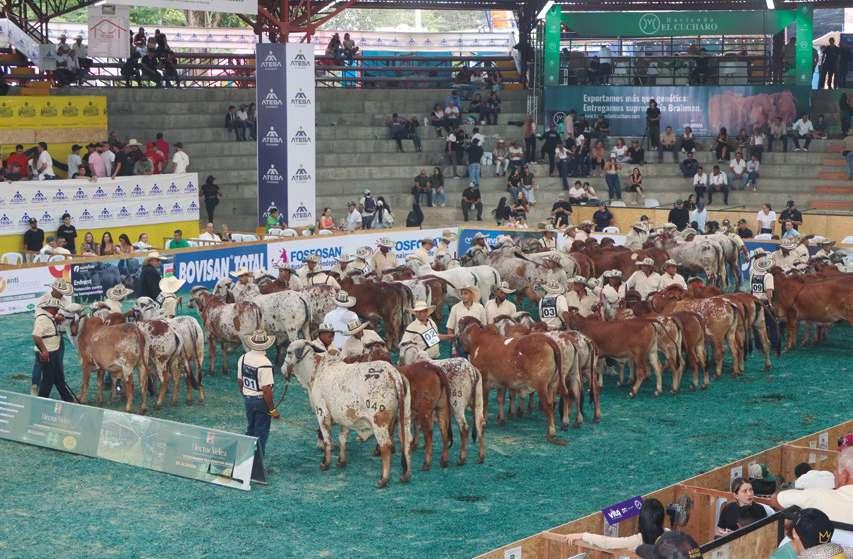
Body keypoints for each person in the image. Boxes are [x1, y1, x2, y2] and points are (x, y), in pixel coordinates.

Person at [544, 498, 666, 552]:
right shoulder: (669, 534)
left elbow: (607, 543)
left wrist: (582, 535)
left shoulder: (638, 540)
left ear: (642, 521)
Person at [774, 446, 853, 523]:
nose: (834, 473)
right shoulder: (825, 479)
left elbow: (777, 499)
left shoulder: (818, 496)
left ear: (844, 476)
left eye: (836, 469)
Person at [237, 329, 280, 468]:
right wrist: (272, 409)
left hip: (248, 399)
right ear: (266, 344)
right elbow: (266, 390)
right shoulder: (265, 363)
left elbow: (240, 381)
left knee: (250, 430)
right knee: (261, 433)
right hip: (261, 401)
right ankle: (256, 466)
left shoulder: (243, 358)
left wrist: (246, 395)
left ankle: (244, 461)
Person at [33, 297, 74, 401]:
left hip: (53, 351)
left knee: (58, 377)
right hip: (48, 352)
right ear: (50, 308)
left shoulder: (50, 318)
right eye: (56, 309)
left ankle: (68, 399)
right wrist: (44, 351)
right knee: (48, 379)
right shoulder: (42, 319)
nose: (58, 310)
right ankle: (41, 401)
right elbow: (36, 336)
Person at [443, 284, 486, 357]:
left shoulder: (480, 308)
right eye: (462, 294)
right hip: (460, 344)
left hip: (476, 343)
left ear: (471, 295)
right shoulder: (455, 308)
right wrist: (453, 347)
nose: (463, 296)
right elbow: (450, 328)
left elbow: (484, 326)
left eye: (465, 293)